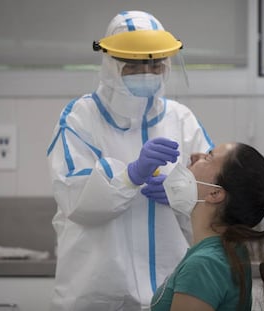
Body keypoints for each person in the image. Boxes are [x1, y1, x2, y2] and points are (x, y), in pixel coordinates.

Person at [47, 10, 213, 311]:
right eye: (135, 65)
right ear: (112, 64)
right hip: (96, 293)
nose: (147, 71)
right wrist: (130, 176)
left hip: (171, 291)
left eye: (155, 64)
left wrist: (183, 193)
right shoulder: (80, 118)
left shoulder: (182, 119)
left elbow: (213, 191)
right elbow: (74, 196)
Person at [151, 143, 264, 311]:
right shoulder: (229, 251)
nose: (194, 156)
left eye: (208, 157)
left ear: (215, 193)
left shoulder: (204, 265)